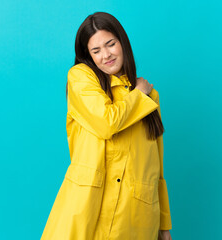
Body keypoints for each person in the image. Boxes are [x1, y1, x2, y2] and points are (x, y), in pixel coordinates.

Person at [40, 12, 172, 240]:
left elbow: (156, 168)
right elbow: (106, 123)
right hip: (87, 212)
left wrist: (164, 225)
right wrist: (138, 95)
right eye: (96, 50)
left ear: (123, 43)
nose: (106, 55)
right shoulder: (81, 79)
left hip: (135, 219)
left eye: (110, 44)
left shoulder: (151, 98)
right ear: (88, 56)